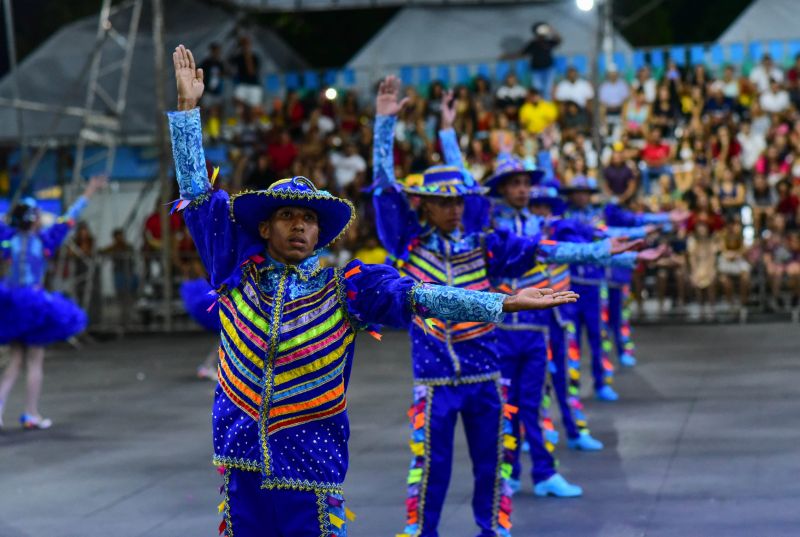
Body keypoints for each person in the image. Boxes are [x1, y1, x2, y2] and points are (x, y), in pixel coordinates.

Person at [170, 46, 577, 537]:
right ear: (263, 229)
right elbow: (196, 195)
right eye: (287, 216)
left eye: (308, 220)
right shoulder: (233, 271)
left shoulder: (345, 289)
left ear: (320, 235)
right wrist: (188, 112)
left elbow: (419, 296)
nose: (299, 227)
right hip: (242, 461)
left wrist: (499, 301)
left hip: (311, 465)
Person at [371, 76, 580, 537]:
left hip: (485, 373)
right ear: (424, 206)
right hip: (434, 379)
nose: (456, 210)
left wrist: (603, 253)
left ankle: (494, 527)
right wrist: (384, 127)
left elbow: (542, 249)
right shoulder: (407, 244)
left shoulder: (485, 243)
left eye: (460, 203)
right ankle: (422, 531)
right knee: (430, 467)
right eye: (444, 204)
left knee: (494, 460)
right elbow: (385, 192)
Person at [0, 176, 106, 430]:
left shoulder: (7, 240)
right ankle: (30, 412)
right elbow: (69, 218)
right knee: (35, 360)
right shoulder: (45, 241)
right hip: (34, 305)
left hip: (12, 304)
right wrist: (89, 192)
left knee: (14, 363)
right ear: (33, 219)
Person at [518, 22, 561, 100]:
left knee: (547, 89)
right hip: (536, 70)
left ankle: (547, 106)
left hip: (549, 69)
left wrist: (552, 30)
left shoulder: (548, 42)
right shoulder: (532, 43)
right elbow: (522, 53)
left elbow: (559, 40)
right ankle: (539, 105)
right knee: (537, 89)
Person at [229, 36, 262, 109]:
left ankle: (250, 109)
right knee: (236, 101)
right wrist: (236, 47)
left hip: (253, 85)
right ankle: (246, 109)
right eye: (243, 45)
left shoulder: (254, 57)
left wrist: (247, 56)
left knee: (255, 109)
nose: (245, 46)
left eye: (246, 44)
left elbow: (251, 72)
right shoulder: (239, 57)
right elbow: (229, 61)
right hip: (242, 84)